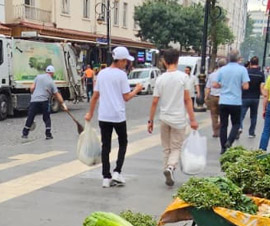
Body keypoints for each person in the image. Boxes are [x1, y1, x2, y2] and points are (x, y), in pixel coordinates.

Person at [85, 46, 143, 188]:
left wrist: (90, 113)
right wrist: (137, 89)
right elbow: (126, 97)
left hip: (104, 115)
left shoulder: (102, 74)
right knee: (123, 143)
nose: (126, 64)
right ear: (121, 60)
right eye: (126, 61)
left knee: (106, 146)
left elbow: (95, 97)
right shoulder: (121, 75)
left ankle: (106, 176)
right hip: (118, 115)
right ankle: (117, 171)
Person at [147, 48, 199, 186]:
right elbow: (187, 100)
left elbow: (154, 102)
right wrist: (193, 119)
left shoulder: (160, 79)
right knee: (176, 147)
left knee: (166, 148)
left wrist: (150, 120)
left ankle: (167, 171)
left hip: (164, 118)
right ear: (177, 60)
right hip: (179, 119)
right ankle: (170, 168)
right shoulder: (184, 77)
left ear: (164, 61)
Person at [212, 51, 250, 153]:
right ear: (238, 59)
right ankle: (229, 141)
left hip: (223, 100)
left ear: (228, 58)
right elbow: (246, 86)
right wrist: (239, 85)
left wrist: (223, 85)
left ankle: (222, 148)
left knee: (224, 125)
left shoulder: (222, 69)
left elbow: (215, 84)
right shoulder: (242, 70)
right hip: (236, 101)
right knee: (236, 124)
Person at [22, 65, 67, 141]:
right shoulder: (51, 82)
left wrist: (34, 94)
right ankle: (48, 134)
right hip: (44, 101)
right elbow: (57, 94)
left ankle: (25, 133)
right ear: (52, 73)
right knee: (46, 117)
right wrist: (63, 104)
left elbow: (32, 88)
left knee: (31, 116)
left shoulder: (38, 77)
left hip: (34, 101)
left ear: (46, 71)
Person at [241, 56, 264, 139]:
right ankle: (251, 132)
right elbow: (262, 86)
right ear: (258, 64)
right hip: (255, 97)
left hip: (245, 96)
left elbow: (242, 84)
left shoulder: (246, 72)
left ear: (250, 63)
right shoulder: (261, 74)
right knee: (253, 115)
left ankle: (239, 127)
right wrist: (264, 94)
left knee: (241, 114)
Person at [205, 58, 225, 139]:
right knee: (223, 115)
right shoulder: (226, 74)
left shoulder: (212, 75)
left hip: (213, 96)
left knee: (214, 115)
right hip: (223, 97)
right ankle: (219, 127)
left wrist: (206, 97)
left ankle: (215, 132)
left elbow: (208, 87)